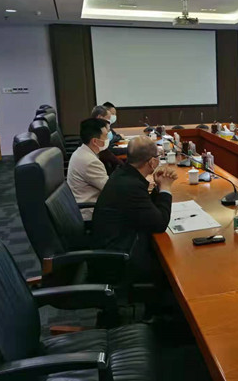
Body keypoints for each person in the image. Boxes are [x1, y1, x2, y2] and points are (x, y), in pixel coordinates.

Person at [92, 136, 178, 283]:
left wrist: (158, 186)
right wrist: (165, 188)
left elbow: (145, 208)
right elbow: (160, 224)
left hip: (118, 244)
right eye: (158, 157)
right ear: (152, 162)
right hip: (120, 260)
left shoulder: (124, 174)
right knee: (173, 265)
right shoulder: (130, 186)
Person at [67, 118, 110, 220]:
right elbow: (110, 189)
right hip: (90, 213)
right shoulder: (90, 162)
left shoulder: (82, 152)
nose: (107, 139)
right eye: (105, 136)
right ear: (95, 141)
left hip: (87, 206)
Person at [91, 105, 123, 175]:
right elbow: (109, 151)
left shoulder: (95, 130)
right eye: (108, 119)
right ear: (100, 117)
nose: (109, 122)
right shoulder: (94, 135)